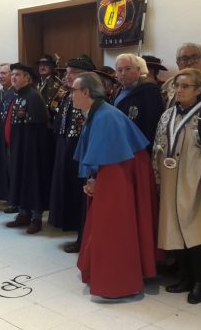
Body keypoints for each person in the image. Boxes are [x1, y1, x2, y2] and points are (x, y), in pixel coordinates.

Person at [72, 71, 157, 299]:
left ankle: (117, 281)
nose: (70, 95)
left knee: (113, 223)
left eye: (74, 90)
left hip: (118, 172)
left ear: (86, 92)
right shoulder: (97, 112)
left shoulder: (105, 116)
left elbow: (109, 156)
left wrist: (95, 180)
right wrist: (92, 177)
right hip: (116, 168)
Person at [153, 68, 201, 304]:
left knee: (198, 233)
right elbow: (157, 146)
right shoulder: (168, 114)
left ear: (199, 90)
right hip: (169, 181)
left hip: (195, 180)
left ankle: (200, 282)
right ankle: (185, 277)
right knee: (174, 228)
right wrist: (157, 177)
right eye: (177, 85)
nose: (178, 90)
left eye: (185, 86)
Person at [4, 63, 54, 234]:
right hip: (19, 147)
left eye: (18, 74)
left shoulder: (34, 96)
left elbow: (40, 128)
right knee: (20, 179)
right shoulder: (16, 95)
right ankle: (23, 213)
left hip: (32, 150)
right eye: (13, 74)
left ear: (28, 78)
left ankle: (36, 217)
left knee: (33, 181)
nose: (14, 77)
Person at [48, 58, 90, 253]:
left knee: (80, 194)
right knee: (66, 188)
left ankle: (83, 237)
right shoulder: (66, 96)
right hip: (64, 145)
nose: (66, 76)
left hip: (79, 149)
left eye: (71, 72)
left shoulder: (91, 98)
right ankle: (72, 229)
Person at [112, 53, 164, 146]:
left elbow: (152, 124)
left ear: (138, 70)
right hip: (119, 142)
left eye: (128, 69)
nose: (123, 73)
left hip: (139, 146)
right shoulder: (118, 90)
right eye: (119, 70)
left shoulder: (150, 91)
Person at [0, 63, 17, 213]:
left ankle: (14, 199)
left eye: (4, 73)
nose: (1, 76)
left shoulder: (16, 93)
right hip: (0, 135)